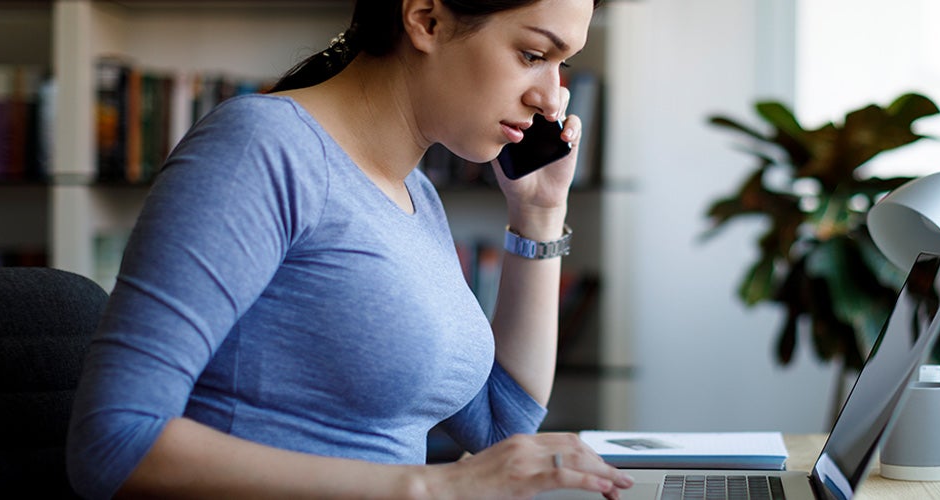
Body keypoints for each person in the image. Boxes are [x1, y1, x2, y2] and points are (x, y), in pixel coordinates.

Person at [64, 0, 634, 498]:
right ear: (426, 20)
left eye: (565, 65)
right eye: (534, 55)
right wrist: (431, 488)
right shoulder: (261, 149)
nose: (551, 98)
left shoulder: (416, 195)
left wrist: (538, 213)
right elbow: (114, 441)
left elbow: (503, 424)